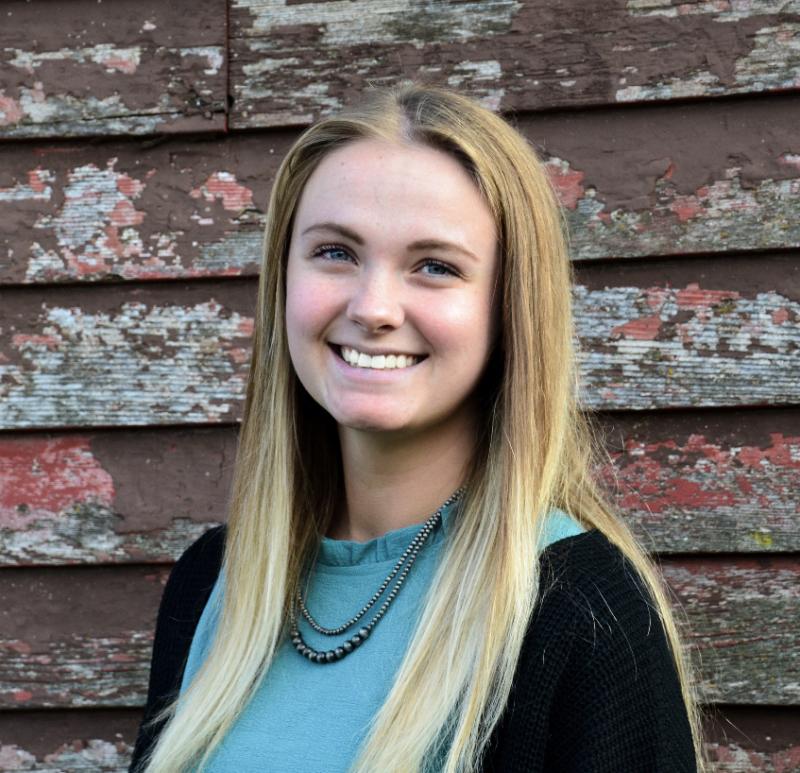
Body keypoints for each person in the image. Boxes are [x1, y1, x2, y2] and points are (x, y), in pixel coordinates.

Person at [129, 83, 705, 772]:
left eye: (435, 266)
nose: (373, 306)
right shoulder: (213, 583)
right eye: (336, 252)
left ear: (508, 308)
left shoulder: (580, 612)